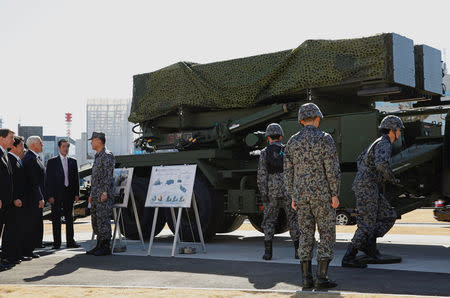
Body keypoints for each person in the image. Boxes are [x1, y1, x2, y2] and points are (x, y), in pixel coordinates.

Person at [284, 103, 341, 289]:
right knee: (326, 234)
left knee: (305, 235)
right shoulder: (325, 138)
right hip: (322, 195)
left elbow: (288, 173)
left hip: (300, 197)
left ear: (301, 120)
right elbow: (332, 170)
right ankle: (321, 278)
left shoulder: (292, 141)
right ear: (317, 118)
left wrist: (292, 196)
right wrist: (335, 194)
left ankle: (306, 279)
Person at [342, 115, 403, 268]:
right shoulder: (384, 143)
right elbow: (381, 165)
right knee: (366, 224)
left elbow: (359, 159)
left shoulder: (377, 142)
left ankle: (367, 244)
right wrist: (393, 180)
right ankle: (349, 256)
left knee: (388, 215)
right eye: (399, 130)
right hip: (367, 188)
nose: (400, 133)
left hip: (369, 186)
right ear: (392, 130)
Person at [257, 123, 300, 260]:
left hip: (272, 192)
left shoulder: (264, 153)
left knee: (269, 220)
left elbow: (262, 175)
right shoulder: (287, 150)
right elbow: (295, 171)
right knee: (293, 220)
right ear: (281, 136)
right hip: (288, 191)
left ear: (268, 137)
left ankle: (268, 252)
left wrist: (264, 193)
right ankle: (298, 251)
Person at [46, 139, 80, 249]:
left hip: (69, 194)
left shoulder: (73, 161)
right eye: (64, 146)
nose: (66, 149)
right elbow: (48, 180)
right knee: (56, 219)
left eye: (67, 147)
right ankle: (57, 243)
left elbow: (76, 179)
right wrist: (49, 195)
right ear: (59, 148)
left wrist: (76, 193)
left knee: (69, 219)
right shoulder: (52, 162)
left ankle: (70, 242)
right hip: (56, 195)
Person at [86, 132, 115, 256]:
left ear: (98, 141)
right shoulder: (97, 156)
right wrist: (92, 194)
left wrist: (104, 192)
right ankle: (99, 244)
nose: (91, 142)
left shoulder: (107, 155)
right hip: (96, 193)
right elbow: (95, 178)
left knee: (103, 219)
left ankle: (105, 246)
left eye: (92, 140)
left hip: (103, 194)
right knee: (96, 220)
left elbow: (108, 176)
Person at [3, 136, 26, 266]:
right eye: (21, 146)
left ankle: (15, 254)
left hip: (19, 201)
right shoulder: (10, 159)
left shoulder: (17, 160)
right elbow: (11, 183)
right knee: (10, 229)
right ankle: (8, 255)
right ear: (15, 147)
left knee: (16, 229)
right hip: (13, 201)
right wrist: (14, 198)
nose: (23, 148)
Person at [22, 136, 46, 258]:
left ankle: (29, 249)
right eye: (40, 143)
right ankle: (27, 250)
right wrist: (40, 197)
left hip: (35, 197)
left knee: (34, 224)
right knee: (31, 224)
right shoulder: (30, 159)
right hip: (33, 198)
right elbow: (33, 182)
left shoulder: (34, 157)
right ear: (33, 145)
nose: (42, 145)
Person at [0, 129, 15, 271]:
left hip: (5, 202)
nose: (13, 141)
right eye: (11, 137)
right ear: (1, 138)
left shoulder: (4, 153)